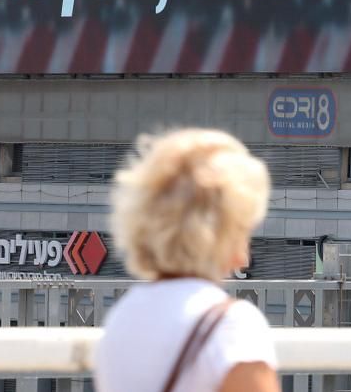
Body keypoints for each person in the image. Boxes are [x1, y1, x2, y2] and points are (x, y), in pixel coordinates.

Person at [95, 128, 280, 392]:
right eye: (243, 229)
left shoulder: (121, 317)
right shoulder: (232, 325)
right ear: (219, 232)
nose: (246, 257)